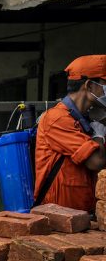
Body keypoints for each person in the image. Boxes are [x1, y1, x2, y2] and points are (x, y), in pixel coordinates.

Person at [33, 55, 106, 212]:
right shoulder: (57, 119)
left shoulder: (84, 120)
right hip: (56, 219)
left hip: (83, 216)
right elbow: (96, 162)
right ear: (89, 86)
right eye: (105, 84)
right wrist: (99, 134)